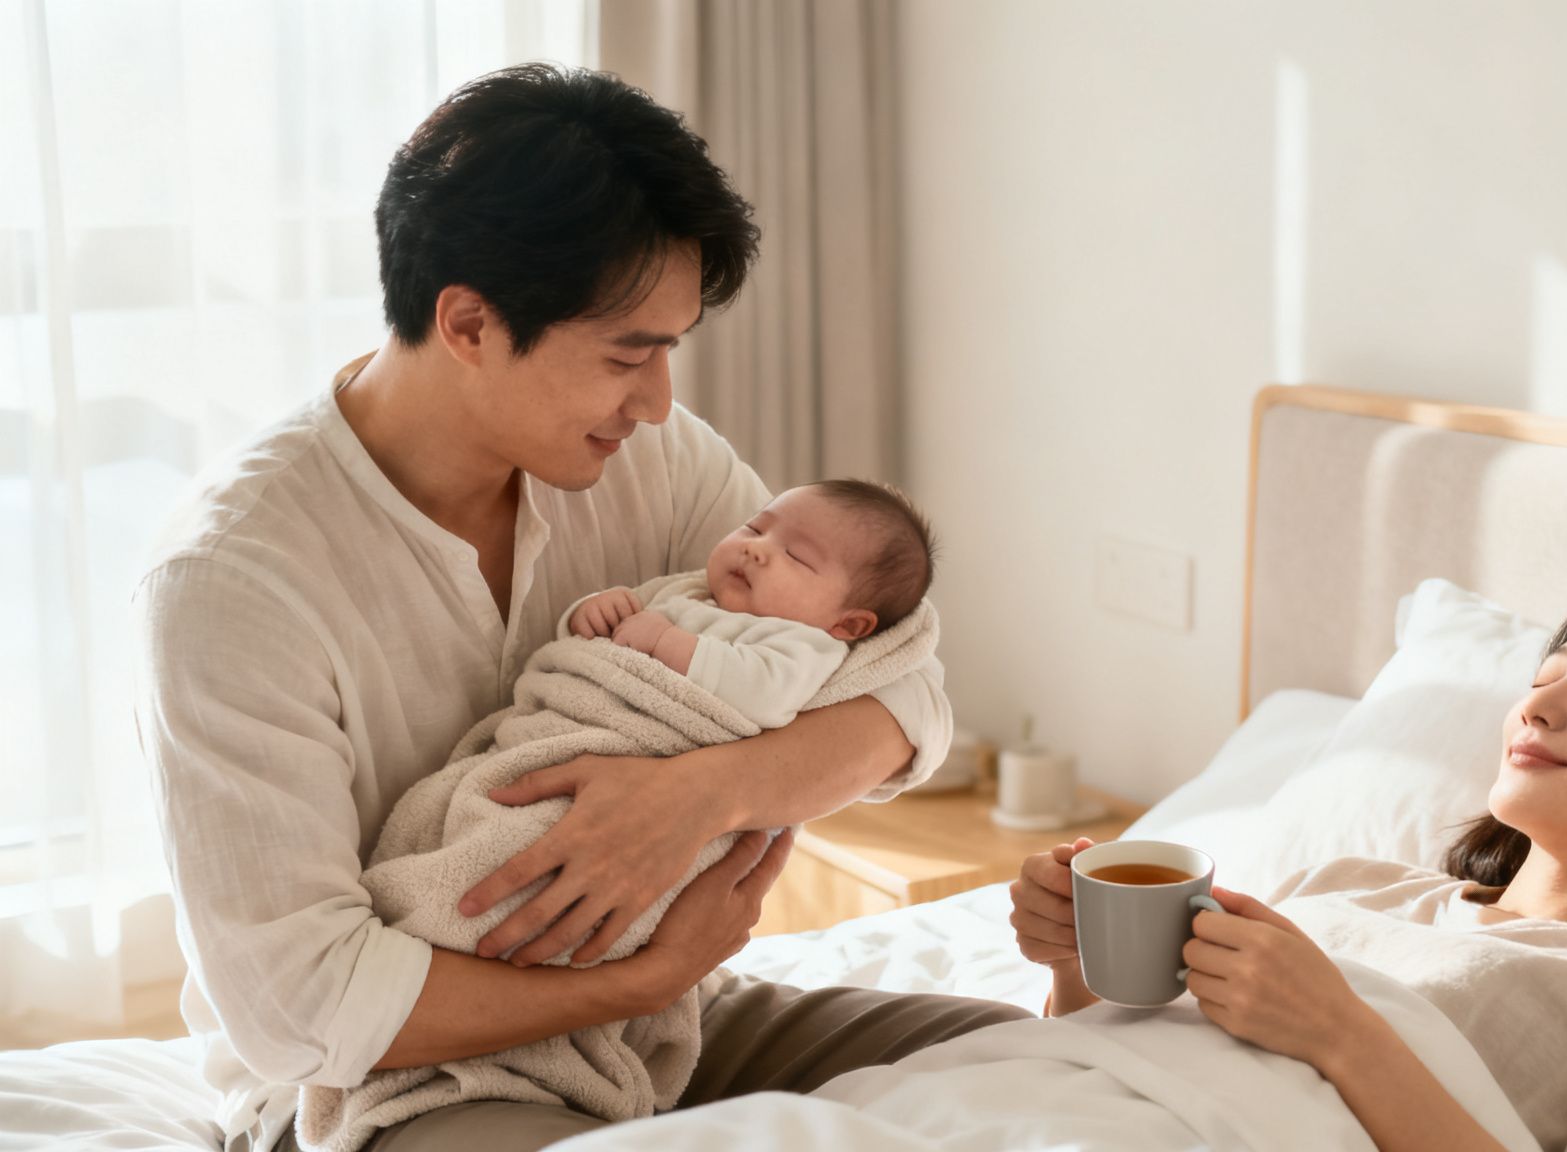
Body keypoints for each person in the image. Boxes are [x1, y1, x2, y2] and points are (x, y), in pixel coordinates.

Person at [136, 64, 1025, 1152]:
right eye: (628, 355)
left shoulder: (657, 461)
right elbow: (302, 1010)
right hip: (394, 1080)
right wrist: (648, 971)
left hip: (652, 1026)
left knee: (1022, 1067)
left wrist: (696, 800)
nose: (656, 402)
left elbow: (904, 698)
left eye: (669, 352)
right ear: (467, 323)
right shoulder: (231, 582)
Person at [1010, 578, 1567, 1152]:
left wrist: (1341, 1034)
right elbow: (1127, 1069)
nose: (1538, 706)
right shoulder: (1347, 884)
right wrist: (1076, 968)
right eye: (1544, 677)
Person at [570, 479, 938, 726]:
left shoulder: (806, 645)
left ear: (847, 624)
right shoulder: (691, 592)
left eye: (796, 556)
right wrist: (595, 612)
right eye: (755, 528)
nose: (755, 548)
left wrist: (664, 642)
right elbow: (601, 643)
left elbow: (762, 693)